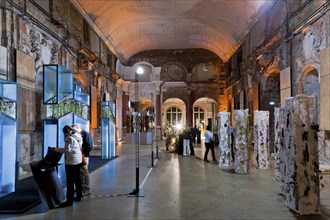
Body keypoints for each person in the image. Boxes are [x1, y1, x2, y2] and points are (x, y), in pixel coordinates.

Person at [54, 125, 83, 207]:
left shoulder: (69, 138)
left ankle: (69, 201)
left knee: (70, 181)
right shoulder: (77, 136)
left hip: (71, 161)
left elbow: (67, 150)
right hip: (78, 160)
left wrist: (56, 149)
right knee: (77, 179)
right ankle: (79, 195)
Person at [71, 124, 93, 197]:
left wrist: (83, 154)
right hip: (80, 155)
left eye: (74, 130)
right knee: (81, 172)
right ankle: (82, 187)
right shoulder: (81, 134)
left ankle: (86, 189)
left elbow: (89, 146)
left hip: (83, 156)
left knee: (84, 172)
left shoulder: (86, 134)